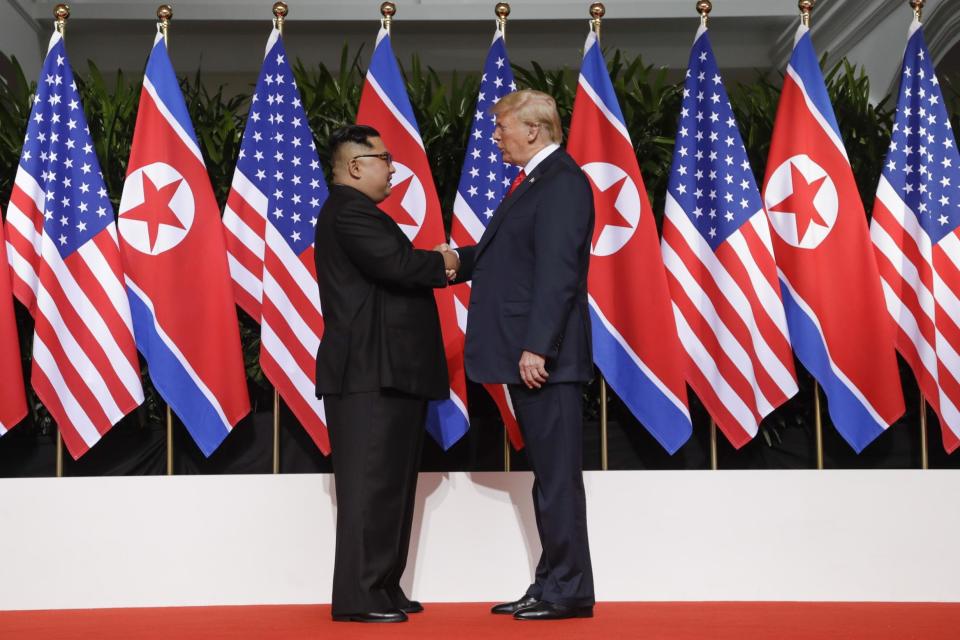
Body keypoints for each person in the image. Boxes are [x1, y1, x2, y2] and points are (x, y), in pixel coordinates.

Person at [446, 89, 596, 620]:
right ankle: (551, 581)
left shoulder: (561, 183)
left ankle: (570, 591)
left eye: (501, 127)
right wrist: (447, 261)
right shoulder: (537, 181)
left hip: (545, 360)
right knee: (546, 478)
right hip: (531, 355)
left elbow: (557, 274)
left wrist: (538, 347)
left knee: (557, 479)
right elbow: (505, 259)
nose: (496, 136)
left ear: (533, 130)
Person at [314, 124, 459, 623]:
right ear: (355, 166)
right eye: (384, 159)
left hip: (389, 370)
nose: (393, 168)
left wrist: (445, 262)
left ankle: (382, 586)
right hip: (366, 373)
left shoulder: (361, 212)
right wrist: (447, 260)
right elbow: (397, 266)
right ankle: (358, 595)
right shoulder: (348, 211)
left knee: (391, 486)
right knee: (369, 486)